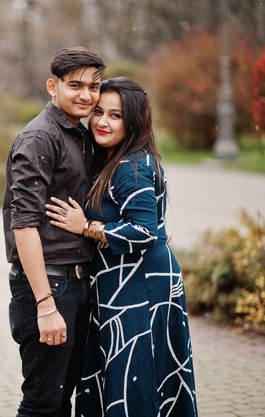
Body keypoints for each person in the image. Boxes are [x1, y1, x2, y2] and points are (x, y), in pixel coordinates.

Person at [45, 77, 198, 416]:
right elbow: (148, 224)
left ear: (133, 122)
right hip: (121, 282)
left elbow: (142, 231)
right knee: (122, 377)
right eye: (99, 112)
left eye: (115, 116)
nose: (102, 121)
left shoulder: (132, 166)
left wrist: (85, 227)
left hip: (141, 285)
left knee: (137, 377)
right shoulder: (113, 160)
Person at [3, 47, 106, 417]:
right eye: (75, 85)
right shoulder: (39, 139)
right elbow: (24, 224)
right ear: (52, 86)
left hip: (76, 286)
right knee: (42, 404)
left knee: (62, 402)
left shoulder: (79, 133)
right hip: (48, 289)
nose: (86, 95)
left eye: (93, 87)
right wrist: (45, 305)